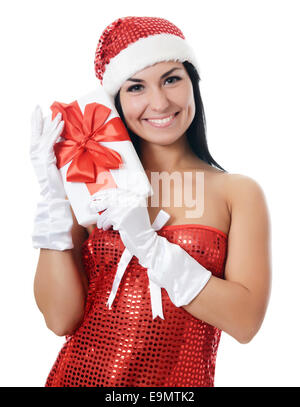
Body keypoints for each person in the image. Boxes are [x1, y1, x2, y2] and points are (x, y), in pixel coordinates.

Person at [30, 16, 271, 387]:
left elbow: (245, 322)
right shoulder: (94, 182)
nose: (159, 102)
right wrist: (54, 201)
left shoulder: (238, 193)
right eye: (136, 87)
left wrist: (150, 248)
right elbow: (60, 319)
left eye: (172, 79)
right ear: (116, 100)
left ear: (193, 83)